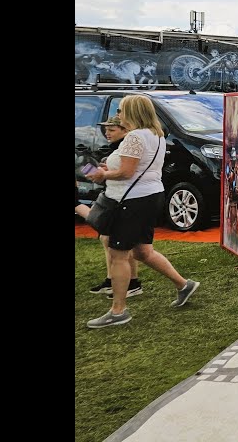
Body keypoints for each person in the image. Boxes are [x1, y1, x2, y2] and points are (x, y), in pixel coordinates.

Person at [78, 95, 199, 328]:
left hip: (131, 200)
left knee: (118, 253)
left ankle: (118, 311)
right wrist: (109, 169)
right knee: (143, 251)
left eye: (121, 110)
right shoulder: (156, 135)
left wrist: (102, 174)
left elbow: (126, 172)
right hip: (149, 196)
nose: (119, 114)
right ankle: (184, 285)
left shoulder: (135, 137)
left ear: (133, 112)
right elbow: (137, 167)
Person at [77, 115, 143, 297]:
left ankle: (131, 283)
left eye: (112, 129)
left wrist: (104, 174)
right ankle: (113, 280)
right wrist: (104, 172)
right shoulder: (117, 147)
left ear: (125, 130)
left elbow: (127, 173)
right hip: (115, 196)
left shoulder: (127, 146)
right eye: (106, 129)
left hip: (123, 200)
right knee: (108, 239)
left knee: (124, 245)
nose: (107, 133)